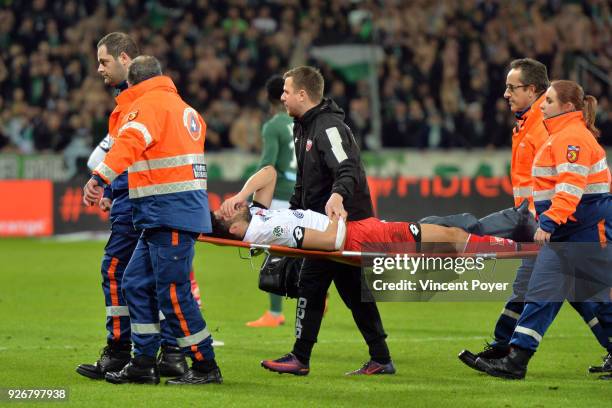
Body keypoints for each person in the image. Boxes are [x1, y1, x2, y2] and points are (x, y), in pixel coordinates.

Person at [458, 59, 610, 373]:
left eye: (549, 101)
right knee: (544, 291)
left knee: (588, 294)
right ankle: (514, 358)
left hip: (577, 230)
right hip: (562, 229)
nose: (506, 94)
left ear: (566, 106)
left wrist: (548, 221)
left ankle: (510, 352)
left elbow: (570, 186)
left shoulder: (568, 137)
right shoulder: (553, 132)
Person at [83, 55, 221, 385]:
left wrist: (100, 178)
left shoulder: (148, 106)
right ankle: (144, 362)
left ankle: (205, 365)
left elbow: (128, 144)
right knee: (135, 282)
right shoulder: (187, 111)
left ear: (134, 83)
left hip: (168, 212)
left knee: (174, 292)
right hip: (169, 213)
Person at [213, 166, 527, 255]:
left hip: (363, 232)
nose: (224, 209)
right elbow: (329, 243)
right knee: (451, 236)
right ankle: (522, 247)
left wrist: (241, 194)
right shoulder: (264, 230)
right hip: (358, 237)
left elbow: (268, 173)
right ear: (235, 231)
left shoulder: (257, 216)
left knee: (446, 230)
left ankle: (516, 232)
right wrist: (340, 217)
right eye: (221, 216)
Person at [245, 75, 296, 328]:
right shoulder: (303, 121)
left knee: (273, 254)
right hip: (302, 196)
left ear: (268, 98)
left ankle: (275, 314)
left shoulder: (274, 126)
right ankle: (321, 297)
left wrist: (248, 189)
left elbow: (268, 165)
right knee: (303, 252)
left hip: (279, 197)